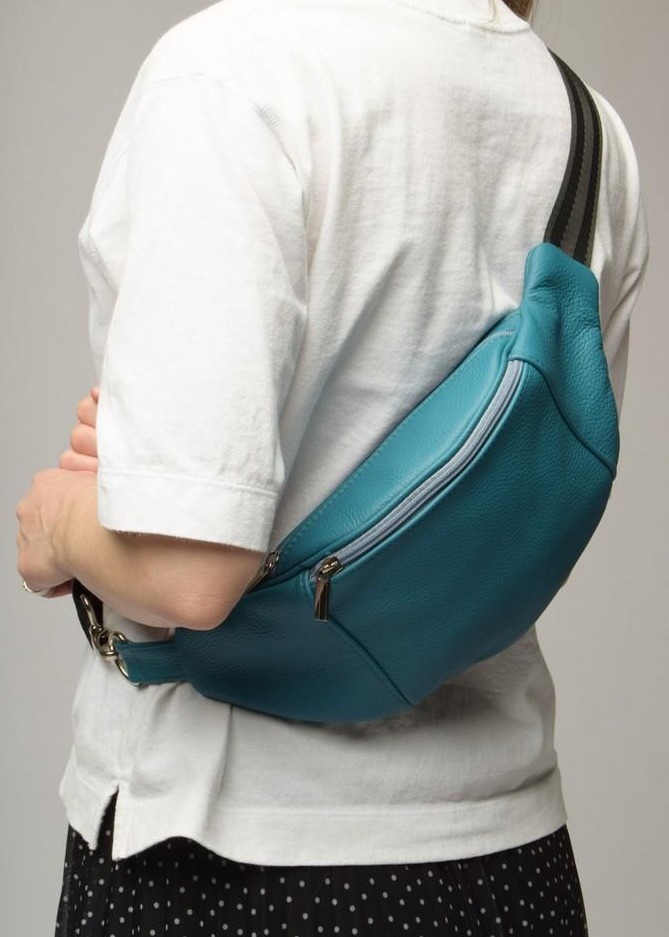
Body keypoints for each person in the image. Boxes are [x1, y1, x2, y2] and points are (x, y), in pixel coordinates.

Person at [16, 0, 649, 934]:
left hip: (234, 857)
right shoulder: (589, 130)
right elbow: (532, 503)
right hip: (508, 858)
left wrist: (59, 522)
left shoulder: (234, 68)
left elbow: (189, 573)